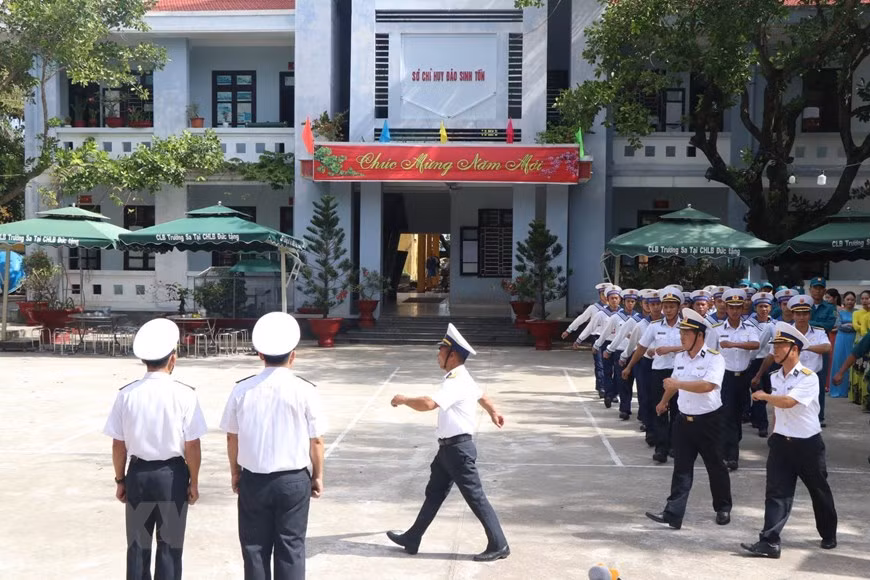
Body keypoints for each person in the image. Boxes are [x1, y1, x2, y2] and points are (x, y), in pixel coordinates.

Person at [387, 323, 510, 562]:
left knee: (476, 497)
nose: (437, 355)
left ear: (452, 355)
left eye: (441, 351)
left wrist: (403, 399)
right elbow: (481, 395)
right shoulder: (462, 377)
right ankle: (413, 537)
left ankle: (499, 544)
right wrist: (494, 411)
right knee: (434, 494)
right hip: (448, 450)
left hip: (457, 450)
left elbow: (428, 404)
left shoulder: (455, 381)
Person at [220, 312, 326, 580]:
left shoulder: (241, 390)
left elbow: (232, 436)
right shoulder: (305, 389)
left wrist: (235, 471)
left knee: (254, 548)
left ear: (260, 354)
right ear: (293, 355)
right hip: (293, 480)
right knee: (291, 547)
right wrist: (318, 476)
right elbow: (316, 439)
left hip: (254, 480)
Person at [103, 318, 208, 580]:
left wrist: (120, 479)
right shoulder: (184, 394)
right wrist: (194, 482)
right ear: (173, 359)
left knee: (138, 546)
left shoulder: (126, 394)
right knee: (170, 547)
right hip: (171, 477)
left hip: (138, 475)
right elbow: (192, 445)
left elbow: (118, 444)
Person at [740, 322, 838, 559]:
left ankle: (828, 533)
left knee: (818, 490)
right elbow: (779, 411)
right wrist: (774, 434)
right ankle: (769, 542)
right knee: (776, 492)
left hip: (807, 445)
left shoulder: (809, 377)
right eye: (774, 345)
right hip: (782, 443)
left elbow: (788, 402)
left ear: (794, 349)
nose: (774, 350)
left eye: (780, 346)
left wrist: (764, 396)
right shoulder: (775, 376)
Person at [645, 308, 731, 530]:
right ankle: (673, 513)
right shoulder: (681, 357)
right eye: (681, 332)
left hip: (709, 421)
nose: (681, 337)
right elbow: (674, 381)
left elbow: (708, 386)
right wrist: (664, 401)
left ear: (699, 335)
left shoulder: (715, 358)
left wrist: (677, 385)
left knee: (716, 465)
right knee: (681, 468)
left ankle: (723, 507)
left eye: (686, 333)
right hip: (684, 421)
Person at [624, 286, 683, 463]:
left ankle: (675, 445)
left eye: (673, 306)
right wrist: (629, 366)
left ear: (679, 307)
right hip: (659, 373)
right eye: (666, 306)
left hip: (679, 374)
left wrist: (670, 349)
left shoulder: (687, 326)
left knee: (678, 411)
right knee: (660, 410)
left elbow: (692, 346)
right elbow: (641, 347)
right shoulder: (655, 326)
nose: (669, 310)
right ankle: (661, 448)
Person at [755, 295, 832, 427]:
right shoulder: (785, 334)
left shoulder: (818, 332)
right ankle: (777, 437)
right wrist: (758, 375)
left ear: (810, 315)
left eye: (805, 314)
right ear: (793, 315)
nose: (801, 317)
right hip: (790, 377)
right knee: (782, 410)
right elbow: (772, 355)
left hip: (812, 377)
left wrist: (805, 346)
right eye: (798, 314)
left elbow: (827, 347)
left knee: (810, 414)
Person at [712, 289, 760, 471]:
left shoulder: (749, 328)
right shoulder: (716, 330)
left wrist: (733, 344)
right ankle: (730, 455)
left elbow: (756, 344)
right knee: (727, 415)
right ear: (726, 307)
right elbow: (710, 352)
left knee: (739, 415)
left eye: (738, 307)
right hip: (725, 377)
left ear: (742, 308)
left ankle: (732, 444)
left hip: (743, 376)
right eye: (731, 307)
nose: (734, 311)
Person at [621, 290, 662, 436]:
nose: (656, 307)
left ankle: (659, 426)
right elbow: (635, 346)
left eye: (659, 304)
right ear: (647, 306)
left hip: (664, 365)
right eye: (653, 304)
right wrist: (627, 363)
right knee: (645, 395)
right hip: (645, 364)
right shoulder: (642, 325)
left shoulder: (670, 324)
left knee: (661, 397)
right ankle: (648, 423)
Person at [563, 282, 612, 395]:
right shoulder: (594, 308)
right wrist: (569, 330)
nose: (604, 296)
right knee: (599, 363)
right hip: (596, 338)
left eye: (606, 293)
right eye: (602, 293)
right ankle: (601, 388)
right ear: (599, 294)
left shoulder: (616, 310)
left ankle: (609, 387)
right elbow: (581, 319)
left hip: (610, 339)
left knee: (609, 365)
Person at [597, 288, 639, 417]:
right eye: (628, 301)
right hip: (620, 351)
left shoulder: (639, 318)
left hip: (636, 352)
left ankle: (640, 411)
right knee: (623, 380)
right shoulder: (616, 317)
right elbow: (611, 334)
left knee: (637, 382)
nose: (630, 304)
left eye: (632, 301)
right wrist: (602, 347)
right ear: (624, 302)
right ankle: (624, 408)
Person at [581, 285, 623, 401]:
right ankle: (608, 393)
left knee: (618, 371)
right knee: (605, 369)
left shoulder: (624, 314)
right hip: (604, 343)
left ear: (620, 299)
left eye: (616, 298)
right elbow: (594, 329)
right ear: (607, 300)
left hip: (619, 345)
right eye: (612, 298)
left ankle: (614, 392)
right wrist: (594, 344)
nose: (614, 300)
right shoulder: (601, 313)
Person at [747, 291, 776, 438]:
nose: (763, 309)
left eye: (766, 306)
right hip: (753, 362)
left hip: (770, 362)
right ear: (755, 308)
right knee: (758, 392)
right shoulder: (747, 324)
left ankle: (755, 416)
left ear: (770, 308)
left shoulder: (775, 324)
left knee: (768, 392)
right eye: (760, 306)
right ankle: (763, 426)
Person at [809, 277, 837, 425]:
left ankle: (819, 416)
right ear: (810, 290)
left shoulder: (830, 307)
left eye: (821, 288)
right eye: (815, 287)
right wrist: (816, 324)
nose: (818, 290)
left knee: (819, 382)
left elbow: (829, 325)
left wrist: (809, 323)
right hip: (804, 347)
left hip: (821, 347)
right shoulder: (804, 305)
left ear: (824, 291)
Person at [830, 291, 856, 398]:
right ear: (844, 300)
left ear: (855, 301)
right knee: (839, 361)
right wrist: (853, 325)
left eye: (852, 300)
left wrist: (849, 325)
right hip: (841, 338)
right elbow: (838, 326)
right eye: (848, 299)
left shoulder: (858, 313)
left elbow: (861, 326)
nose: (850, 301)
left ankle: (849, 391)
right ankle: (837, 389)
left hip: (853, 339)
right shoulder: (839, 312)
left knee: (852, 361)